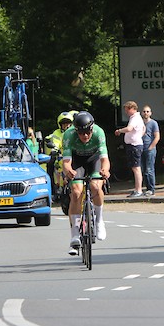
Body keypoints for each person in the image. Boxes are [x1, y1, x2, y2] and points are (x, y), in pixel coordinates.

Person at [62, 111, 110, 256]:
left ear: (92, 129)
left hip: (93, 159)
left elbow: (105, 159)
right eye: (81, 133)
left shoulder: (99, 133)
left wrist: (105, 171)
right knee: (76, 191)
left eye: (88, 132)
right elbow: (66, 162)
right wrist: (68, 171)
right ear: (76, 131)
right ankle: (75, 235)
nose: (85, 136)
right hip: (77, 160)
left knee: (96, 186)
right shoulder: (69, 135)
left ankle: (99, 220)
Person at [115, 101, 145, 197]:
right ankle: (137, 189)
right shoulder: (137, 118)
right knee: (135, 167)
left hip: (134, 145)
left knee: (136, 168)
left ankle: (139, 190)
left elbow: (129, 129)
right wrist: (139, 135)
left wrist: (119, 131)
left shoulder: (135, 118)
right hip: (134, 144)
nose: (126, 112)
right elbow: (144, 128)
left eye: (127, 110)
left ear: (132, 108)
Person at [45, 111, 75, 196]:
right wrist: (54, 149)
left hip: (75, 155)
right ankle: (54, 189)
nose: (66, 125)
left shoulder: (75, 131)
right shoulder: (57, 133)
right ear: (60, 124)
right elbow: (56, 142)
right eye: (64, 123)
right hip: (62, 156)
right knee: (51, 165)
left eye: (68, 123)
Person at [141, 105, 160, 197]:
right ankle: (147, 188)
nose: (146, 113)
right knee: (144, 170)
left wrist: (151, 147)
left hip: (150, 149)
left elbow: (157, 137)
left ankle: (151, 189)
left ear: (150, 113)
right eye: (144, 111)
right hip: (141, 149)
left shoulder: (153, 123)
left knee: (149, 169)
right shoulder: (140, 123)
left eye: (147, 111)